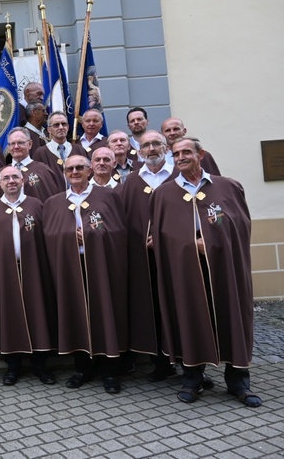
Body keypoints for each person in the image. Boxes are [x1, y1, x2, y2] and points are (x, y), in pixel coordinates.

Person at [150, 137, 261, 407]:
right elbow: (161, 235)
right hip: (185, 270)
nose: (181, 157)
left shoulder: (228, 187)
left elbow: (241, 226)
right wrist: (190, 243)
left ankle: (238, 383)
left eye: (186, 152)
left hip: (225, 268)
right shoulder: (164, 194)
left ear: (201, 154)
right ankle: (193, 379)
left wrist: (211, 242)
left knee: (231, 315)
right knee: (190, 317)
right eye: (176, 154)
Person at [43, 156, 128, 394]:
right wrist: (69, 236)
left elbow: (119, 230)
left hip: (102, 265)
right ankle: (82, 369)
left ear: (89, 171)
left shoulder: (108, 196)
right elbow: (50, 234)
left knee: (104, 313)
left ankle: (110, 372)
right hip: (71, 266)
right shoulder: (54, 202)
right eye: (70, 169)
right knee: (76, 314)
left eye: (80, 167)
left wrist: (91, 234)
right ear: (64, 173)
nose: (75, 172)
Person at [0, 166, 57, 386]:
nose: (11, 181)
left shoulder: (37, 205)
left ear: (23, 180)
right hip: (5, 271)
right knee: (9, 315)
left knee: (37, 313)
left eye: (15, 177)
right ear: (0, 183)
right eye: (6, 178)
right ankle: (13, 367)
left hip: (34, 268)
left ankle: (41, 366)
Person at [117, 130, 177, 382]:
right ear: (139, 152)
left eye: (156, 144)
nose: (151, 149)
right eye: (146, 145)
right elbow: (120, 218)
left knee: (177, 307)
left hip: (176, 260)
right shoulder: (130, 181)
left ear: (166, 148)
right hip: (142, 260)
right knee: (151, 308)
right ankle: (160, 363)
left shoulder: (177, 177)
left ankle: (189, 364)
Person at [0, 127, 62, 201]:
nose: (16, 147)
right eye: (12, 144)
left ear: (30, 144)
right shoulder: (0, 174)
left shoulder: (43, 171)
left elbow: (52, 203)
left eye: (20, 142)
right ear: (8, 148)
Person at [33, 111, 88, 182]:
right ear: (49, 130)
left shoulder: (79, 150)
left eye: (64, 124)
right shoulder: (41, 153)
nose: (61, 127)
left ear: (68, 127)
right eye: (56, 125)